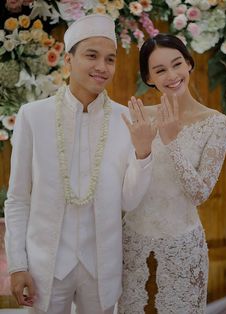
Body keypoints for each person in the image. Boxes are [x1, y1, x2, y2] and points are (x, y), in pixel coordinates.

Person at [4, 14, 156, 314]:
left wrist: (143, 154)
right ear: (69, 59)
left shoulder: (125, 119)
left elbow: (129, 200)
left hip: (101, 265)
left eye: (110, 59)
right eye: (92, 56)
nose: (102, 67)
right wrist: (17, 264)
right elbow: (18, 199)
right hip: (45, 265)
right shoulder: (33, 116)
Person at [118, 33, 226, 314]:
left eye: (177, 64)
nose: (172, 75)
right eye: (160, 70)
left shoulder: (216, 122)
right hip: (131, 241)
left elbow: (199, 193)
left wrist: (172, 142)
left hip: (183, 245)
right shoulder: (140, 118)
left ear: (189, 64)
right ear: (148, 78)